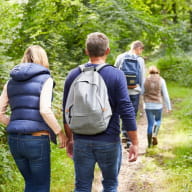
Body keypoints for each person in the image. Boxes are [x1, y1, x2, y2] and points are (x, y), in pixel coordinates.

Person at [63, 32, 138, 192]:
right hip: (109, 140)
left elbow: (66, 111)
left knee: (82, 186)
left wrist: (70, 139)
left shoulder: (73, 75)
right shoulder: (116, 74)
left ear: (86, 51)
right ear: (108, 51)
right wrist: (134, 143)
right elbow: (126, 110)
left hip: (81, 141)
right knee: (110, 185)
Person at [0, 45, 67, 192]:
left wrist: (15, 124)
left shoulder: (11, 81)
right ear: (43, 58)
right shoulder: (46, 79)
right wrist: (59, 132)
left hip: (15, 140)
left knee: (30, 183)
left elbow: (0, 112)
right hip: (36, 140)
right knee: (41, 186)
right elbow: (45, 110)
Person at [115, 40, 145, 148]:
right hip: (134, 91)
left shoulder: (120, 57)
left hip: (122, 91)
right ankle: (129, 140)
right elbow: (142, 76)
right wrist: (141, 91)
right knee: (132, 114)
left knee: (122, 113)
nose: (140, 53)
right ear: (138, 48)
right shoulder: (140, 60)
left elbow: (115, 73)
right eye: (141, 50)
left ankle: (124, 134)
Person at [143, 65, 172, 147]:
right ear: (157, 72)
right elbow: (165, 95)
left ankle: (149, 145)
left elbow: (141, 92)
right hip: (158, 105)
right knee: (158, 120)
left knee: (150, 124)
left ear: (149, 72)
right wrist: (168, 107)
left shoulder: (145, 80)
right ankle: (155, 134)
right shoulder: (161, 80)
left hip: (148, 105)